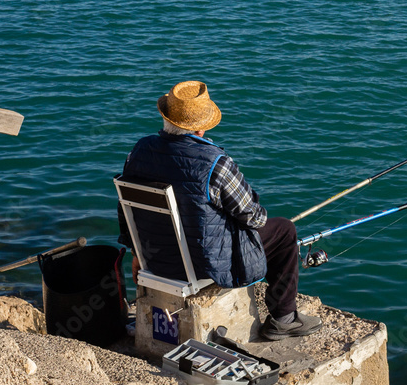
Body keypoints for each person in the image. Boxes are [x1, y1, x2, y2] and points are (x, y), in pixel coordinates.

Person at [118, 81, 322, 341]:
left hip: (154, 260)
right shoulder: (215, 163)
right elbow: (255, 216)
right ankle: (284, 318)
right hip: (204, 265)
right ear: (201, 126)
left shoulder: (138, 152)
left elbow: (127, 212)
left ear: (166, 118)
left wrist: (137, 253)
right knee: (284, 231)